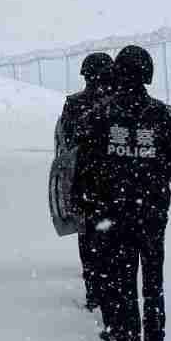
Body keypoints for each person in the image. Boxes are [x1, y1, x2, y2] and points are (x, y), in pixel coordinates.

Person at [72, 44, 171, 341]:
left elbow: (84, 166)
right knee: (152, 282)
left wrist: (85, 203)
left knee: (123, 289)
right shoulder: (160, 115)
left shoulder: (100, 115)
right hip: (151, 215)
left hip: (114, 218)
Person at [53, 52, 114, 311]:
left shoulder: (74, 103)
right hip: (115, 184)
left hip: (84, 183)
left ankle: (93, 290)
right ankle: (111, 287)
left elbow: (65, 144)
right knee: (112, 238)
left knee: (87, 236)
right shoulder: (118, 103)